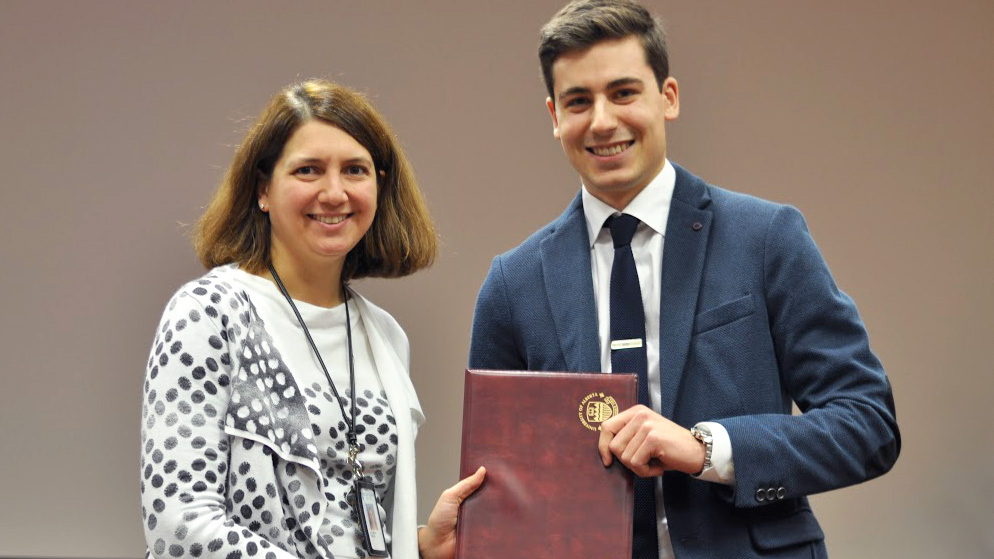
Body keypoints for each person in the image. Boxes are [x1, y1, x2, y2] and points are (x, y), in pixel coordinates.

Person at [468, 1, 900, 558]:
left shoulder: (766, 237)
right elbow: (495, 482)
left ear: (667, 97)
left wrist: (707, 448)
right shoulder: (513, 284)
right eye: (579, 101)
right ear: (554, 116)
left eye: (624, 92)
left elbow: (868, 424)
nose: (602, 121)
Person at [141, 79, 484, 559]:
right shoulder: (206, 314)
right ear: (263, 189)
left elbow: (353, 521)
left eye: (355, 170)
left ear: (380, 187)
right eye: (308, 170)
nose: (334, 192)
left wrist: (422, 547)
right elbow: (180, 525)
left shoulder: (384, 336)